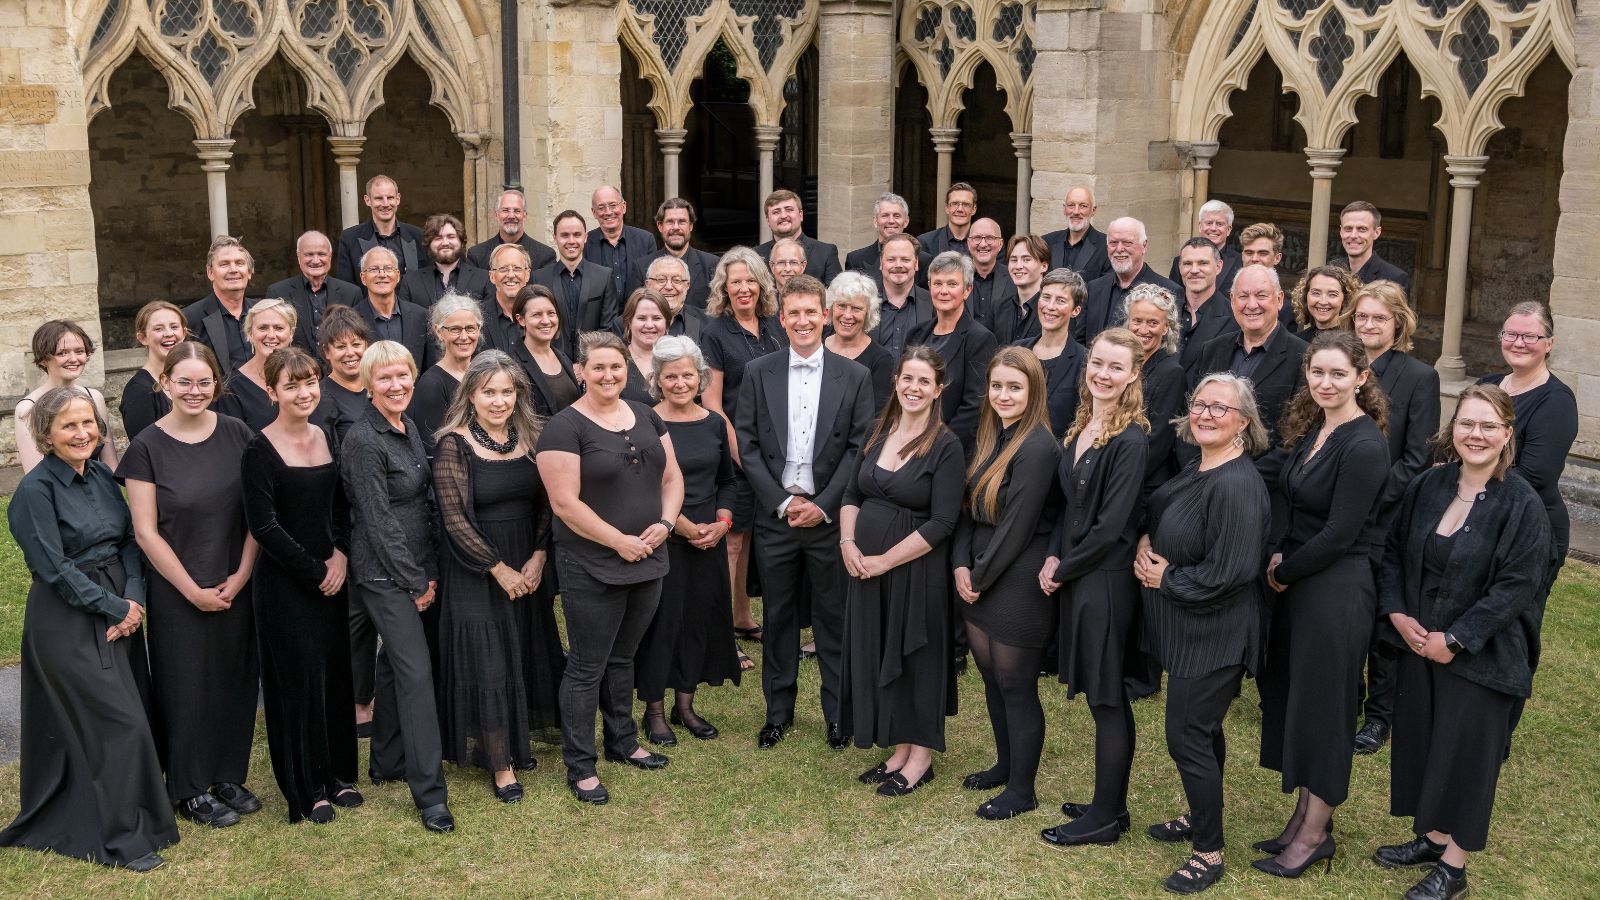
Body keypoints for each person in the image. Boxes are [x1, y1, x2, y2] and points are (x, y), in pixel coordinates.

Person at [1372, 385, 1552, 900]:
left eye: (1488, 426)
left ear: (1507, 435)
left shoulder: (1522, 504)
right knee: (1428, 744)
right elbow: (1392, 554)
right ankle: (1432, 838)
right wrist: (1399, 615)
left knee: (1468, 757)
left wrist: (1456, 638)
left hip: (1483, 656)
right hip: (1420, 641)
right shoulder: (1430, 484)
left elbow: (1516, 588)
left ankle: (1454, 869)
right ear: (1452, 430)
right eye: (1467, 424)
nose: (1476, 435)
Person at [0, 387, 175, 872]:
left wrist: (134, 597)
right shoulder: (33, 493)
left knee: (128, 713)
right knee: (118, 725)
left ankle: (141, 819)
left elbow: (128, 539)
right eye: (69, 426)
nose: (82, 434)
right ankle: (122, 839)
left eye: (88, 424)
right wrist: (114, 608)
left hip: (121, 605)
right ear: (46, 435)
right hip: (68, 620)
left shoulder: (100, 474)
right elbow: (54, 570)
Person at [1255, 330, 1390, 878]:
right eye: (1317, 372)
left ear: (1361, 377)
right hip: (1301, 585)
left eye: (1338, 374)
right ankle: (1304, 816)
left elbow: (1340, 532)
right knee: (1300, 704)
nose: (1325, 383)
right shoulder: (1314, 426)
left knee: (1328, 711)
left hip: (1335, 589)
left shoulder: (1364, 443)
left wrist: (1283, 570)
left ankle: (1314, 836)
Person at [1132, 373, 1272, 894]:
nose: (1207, 414)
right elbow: (1165, 511)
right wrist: (1148, 538)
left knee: (1187, 735)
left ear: (1243, 422)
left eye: (1220, 408)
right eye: (1200, 404)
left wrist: (1164, 577)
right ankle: (1199, 814)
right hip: (1188, 628)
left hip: (1216, 634)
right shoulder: (1200, 465)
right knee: (1203, 731)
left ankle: (1208, 852)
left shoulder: (1237, 484)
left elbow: (1231, 571)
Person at [536, 332, 685, 804]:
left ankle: (623, 742)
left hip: (649, 556)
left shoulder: (646, 415)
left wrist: (665, 522)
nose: (608, 375)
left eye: (616, 367)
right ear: (580, 371)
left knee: (624, 657)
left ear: (628, 369)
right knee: (586, 665)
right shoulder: (563, 427)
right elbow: (564, 504)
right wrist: (617, 541)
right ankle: (580, 764)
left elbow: (672, 477)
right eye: (598, 368)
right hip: (592, 562)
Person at [119, 341, 262, 829]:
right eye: (184, 382)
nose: (195, 391)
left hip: (234, 577)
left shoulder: (239, 433)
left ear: (217, 385)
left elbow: (255, 514)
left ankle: (227, 775)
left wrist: (242, 574)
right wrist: (191, 590)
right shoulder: (146, 447)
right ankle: (188, 785)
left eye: (205, 382)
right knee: (186, 686)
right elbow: (145, 531)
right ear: (165, 384)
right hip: (177, 586)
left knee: (234, 679)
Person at [737, 276, 876, 750]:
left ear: (826, 315)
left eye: (810, 313)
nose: (802, 321)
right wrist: (782, 501)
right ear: (783, 318)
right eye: (793, 313)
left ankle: (837, 714)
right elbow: (747, 444)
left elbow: (860, 449)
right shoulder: (759, 372)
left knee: (832, 617)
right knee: (777, 616)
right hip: (776, 516)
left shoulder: (854, 376)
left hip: (828, 518)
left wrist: (822, 506)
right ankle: (778, 712)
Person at [1036, 328, 1149, 848]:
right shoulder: (1083, 424)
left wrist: (1062, 568)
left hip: (1105, 581)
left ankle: (1105, 817)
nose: (1103, 374)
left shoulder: (1130, 439)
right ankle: (1111, 805)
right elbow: (1071, 509)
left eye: (1115, 367)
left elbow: (1110, 528)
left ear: (1132, 376)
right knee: (1099, 698)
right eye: (1097, 363)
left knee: (1107, 699)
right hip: (1080, 573)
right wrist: (1057, 552)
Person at [241, 347, 362, 824]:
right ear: (272, 392)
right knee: (297, 684)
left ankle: (339, 775)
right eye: (291, 385)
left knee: (334, 676)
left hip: (332, 574)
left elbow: (340, 508)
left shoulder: (327, 435)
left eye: (310, 381)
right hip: (286, 584)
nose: (304, 392)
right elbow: (264, 525)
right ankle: (306, 787)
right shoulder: (258, 449)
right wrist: (317, 571)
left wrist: (341, 556)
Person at [433, 351, 560, 803]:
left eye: (507, 391)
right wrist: (498, 568)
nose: (499, 400)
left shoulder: (533, 436)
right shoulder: (454, 444)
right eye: (489, 391)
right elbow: (453, 518)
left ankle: (519, 743)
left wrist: (540, 555)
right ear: (470, 393)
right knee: (488, 660)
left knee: (523, 651)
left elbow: (549, 502)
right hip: (477, 567)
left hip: (528, 558)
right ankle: (500, 763)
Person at [840, 346, 964, 796]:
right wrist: (848, 543)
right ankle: (899, 749)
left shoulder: (946, 445)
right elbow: (852, 493)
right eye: (907, 378)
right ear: (896, 381)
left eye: (924, 381)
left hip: (915, 571)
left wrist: (885, 560)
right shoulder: (878, 431)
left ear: (938, 390)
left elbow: (943, 522)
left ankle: (921, 758)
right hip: (865, 568)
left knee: (916, 658)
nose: (914, 388)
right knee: (882, 654)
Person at [340, 340, 453, 832]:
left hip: (415, 566)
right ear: (367, 384)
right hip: (383, 572)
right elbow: (378, 519)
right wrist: (413, 581)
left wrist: (427, 570)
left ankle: (386, 760)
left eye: (403, 374)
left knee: (392, 667)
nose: (397, 385)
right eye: (384, 378)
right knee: (415, 674)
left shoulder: (407, 429)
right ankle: (430, 794)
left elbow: (420, 506)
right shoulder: (363, 439)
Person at [953, 347, 1063, 820]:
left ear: (1034, 391)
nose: (1003, 395)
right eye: (997, 386)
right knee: (992, 680)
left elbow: (1017, 526)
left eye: (1014, 387)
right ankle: (1004, 764)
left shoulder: (1038, 446)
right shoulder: (990, 436)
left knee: (1016, 684)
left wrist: (977, 576)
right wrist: (959, 565)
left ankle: (1023, 790)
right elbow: (966, 509)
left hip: (1016, 579)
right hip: (979, 571)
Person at [1475, 301, 1577, 747]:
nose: (1518, 343)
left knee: (1513, 626)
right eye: (1511, 334)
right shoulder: (1485, 385)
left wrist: (1469, 482)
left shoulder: (1557, 401)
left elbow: (1535, 474)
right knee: (1474, 614)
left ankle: (1499, 732)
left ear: (1548, 344)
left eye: (1530, 336)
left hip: (1531, 532)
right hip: (1477, 520)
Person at [1347, 281, 1441, 755]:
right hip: (1341, 514)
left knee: (1386, 617)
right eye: (1362, 317)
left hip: (1388, 516)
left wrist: (1370, 497)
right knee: (1348, 614)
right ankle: (1348, 700)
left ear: (1398, 323)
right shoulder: (1343, 369)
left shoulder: (1419, 377)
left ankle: (1379, 716)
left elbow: (1418, 456)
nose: (1368, 325)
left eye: (1378, 318)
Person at [636, 336, 742, 745]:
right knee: (662, 625)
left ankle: (685, 704)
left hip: (709, 540)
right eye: (670, 376)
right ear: (657, 380)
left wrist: (722, 521)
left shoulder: (715, 422)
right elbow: (642, 485)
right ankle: (654, 711)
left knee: (698, 621)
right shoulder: (644, 421)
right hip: (663, 538)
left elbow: (727, 482)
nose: (680, 383)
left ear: (699, 378)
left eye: (687, 375)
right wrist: (676, 523)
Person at [700, 246, 787, 644]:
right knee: (732, 540)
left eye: (750, 279)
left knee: (749, 537)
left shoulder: (775, 326)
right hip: (737, 452)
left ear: (761, 283)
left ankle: (741, 615)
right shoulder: (715, 331)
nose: (744, 287)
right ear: (724, 286)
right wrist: (742, 453)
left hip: (776, 452)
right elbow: (713, 404)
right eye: (736, 281)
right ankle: (719, 628)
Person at [906, 251, 1000, 455]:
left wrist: (935, 445)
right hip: (909, 440)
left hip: (949, 448)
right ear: (929, 286)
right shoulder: (916, 334)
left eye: (952, 284)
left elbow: (975, 405)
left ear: (967, 290)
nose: (943, 291)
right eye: (937, 283)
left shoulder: (980, 339)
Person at [15, 320, 118, 473]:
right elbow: (35, 474)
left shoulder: (94, 397)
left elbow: (110, 462)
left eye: (79, 351)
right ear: (43, 359)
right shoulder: (28, 407)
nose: (73, 359)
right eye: (62, 353)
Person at [1076, 217, 1180, 346]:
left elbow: (1171, 346)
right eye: (1113, 243)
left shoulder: (1168, 291)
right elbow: (1080, 341)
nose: (1119, 249)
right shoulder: (1094, 288)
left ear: (1144, 245)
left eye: (1127, 243)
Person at [1124, 285, 1187, 495]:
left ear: (1166, 327)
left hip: (1142, 485)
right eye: (1137, 321)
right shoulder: (1122, 365)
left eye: (1153, 323)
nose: (1143, 330)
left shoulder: (1172, 373)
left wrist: (1118, 476)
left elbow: (1157, 444)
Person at [535, 210, 621, 357]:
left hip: (592, 363)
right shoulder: (539, 278)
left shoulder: (604, 276)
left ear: (585, 237)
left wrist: (585, 361)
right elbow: (536, 326)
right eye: (564, 235)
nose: (571, 241)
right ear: (554, 238)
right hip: (551, 362)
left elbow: (607, 327)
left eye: (577, 235)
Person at [1018, 269, 1087, 441]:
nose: (1050, 306)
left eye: (1061, 300)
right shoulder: (1017, 350)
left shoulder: (1085, 361)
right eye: (1046, 297)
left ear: (1076, 310)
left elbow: (1081, 422)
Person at [411, 292, 484, 452]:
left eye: (470, 328)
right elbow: (433, 448)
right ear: (439, 332)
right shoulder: (431, 384)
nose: (464, 337)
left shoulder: (484, 374)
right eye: (455, 329)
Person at [266, 231, 362, 351]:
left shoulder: (352, 293)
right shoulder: (277, 292)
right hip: (295, 367)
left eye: (321, 254)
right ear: (298, 256)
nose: (316, 260)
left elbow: (358, 337)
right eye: (309, 254)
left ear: (330, 256)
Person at [625, 198, 721, 311]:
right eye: (670, 222)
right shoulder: (641, 267)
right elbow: (634, 312)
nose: (676, 227)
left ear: (690, 226)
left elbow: (718, 310)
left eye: (682, 222)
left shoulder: (713, 264)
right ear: (660, 226)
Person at [217, 297, 297, 431]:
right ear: (250, 334)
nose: (271, 335)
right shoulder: (232, 389)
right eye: (263, 328)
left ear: (291, 333)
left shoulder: (306, 375)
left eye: (278, 328)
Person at [184, 235, 257, 377]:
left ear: (249, 272)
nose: (233, 269)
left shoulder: (264, 313)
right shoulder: (190, 318)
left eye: (239, 263)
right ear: (210, 272)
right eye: (224, 264)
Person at [353, 246, 435, 370]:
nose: (382, 274)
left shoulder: (421, 316)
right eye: (374, 269)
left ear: (397, 275)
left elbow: (429, 366)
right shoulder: (352, 320)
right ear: (363, 278)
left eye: (388, 268)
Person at [824, 272, 896, 409]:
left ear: (868, 313)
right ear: (831, 307)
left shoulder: (881, 360)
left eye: (856, 308)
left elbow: (876, 416)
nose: (847, 315)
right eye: (842, 306)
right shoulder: (816, 347)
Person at [334, 174, 424, 284]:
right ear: (367, 200)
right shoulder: (350, 238)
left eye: (390, 197)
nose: (385, 204)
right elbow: (345, 286)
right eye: (379, 198)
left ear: (398, 199)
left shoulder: (417, 235)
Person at [510, 284, 581, 417]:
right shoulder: (513, 364)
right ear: (521, 319)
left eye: (551, 313)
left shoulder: (563, 357)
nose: (546, 321)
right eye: (537, 315)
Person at [121, 301, 186, 442]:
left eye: (174, 327)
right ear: (142, 338)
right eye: (158, 329)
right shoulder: (139, 391)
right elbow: (145, 450)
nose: (169, 333)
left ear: (184, 333)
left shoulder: (193, 381)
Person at [398, 213, 491, 308]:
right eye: (438, 238)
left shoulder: (484, 279)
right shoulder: (410, 281)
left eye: (451, 237)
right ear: (429, 243)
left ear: (461, 241)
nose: (445, 243)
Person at [1173, 238, 1238, 372]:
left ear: (1219, 266)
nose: (1194, 270)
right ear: (1180, 267)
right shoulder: (1164, 311)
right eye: (1187, 263)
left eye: (1203, 263)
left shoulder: (1235, 317)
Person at [311, 305, 372, 447]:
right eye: (341, 347)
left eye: (356, 344)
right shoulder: (319, 397)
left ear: (366, 346)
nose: (350, 352)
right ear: (327, 351)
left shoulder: (379, 386)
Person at [585, 185, 658, 299]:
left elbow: (653, 282)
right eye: (601, 208)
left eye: (613, 205)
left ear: (623, 207)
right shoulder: (584, 243)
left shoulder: (645, 240)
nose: (608, 212)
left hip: (637, 313)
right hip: (599, 315)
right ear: (594, 212)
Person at [755, 189, 842, 282]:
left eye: (789, 209)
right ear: (768, 220)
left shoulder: (826, 253)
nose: (783, 216)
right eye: (776, 212)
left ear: (801, 215)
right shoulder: (756, 256)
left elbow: (836, 295)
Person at [872, 233, 933, 356]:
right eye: (891, 259)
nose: (898, 265)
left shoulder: (934, 303)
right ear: (881, 263)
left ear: (916, 264)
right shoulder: (864, 301)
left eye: (905, 259)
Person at [467, 188, 556, 272]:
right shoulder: (476, 256)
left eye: (517, 211)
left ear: (524, 215)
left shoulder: (545, 256)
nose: (511, 216)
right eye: (505, 210)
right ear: (496, 215)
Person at [1167, 200, 1242, 298]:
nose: (1213, 228)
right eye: (1209, 223)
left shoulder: (1241, 261)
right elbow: (1175, 299)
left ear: (1228, 230)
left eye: (1219, 224)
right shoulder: (1180, 261)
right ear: (1200, 227)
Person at [1330, 200, 1410, 290]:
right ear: (1341, 232)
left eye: (1362, 229)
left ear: (1376, 233)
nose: (1353, 235)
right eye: (1348, 229)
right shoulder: (1331, 270)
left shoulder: (1395, 278)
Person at [987, 235, 1047, 345]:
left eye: (1026, 259)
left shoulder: (1051, 309)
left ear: (1044, 266)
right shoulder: (998, 308)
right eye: (1013, 260)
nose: (1018, 266)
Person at [1042, 187, 1112, 282]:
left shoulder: (1107, 246)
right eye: (1071, 205)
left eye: (1083, 206)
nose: (1076, 212)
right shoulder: (1046, 242)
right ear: (1064, 209)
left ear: (1093, 210)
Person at [479, 243, 533, 353]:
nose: (511, 275)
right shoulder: (477, 318)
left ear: (527, 275)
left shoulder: (540, 316)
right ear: (492, 276)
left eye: (517, 268)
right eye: (503, 269)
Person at [621, 289, 672, 405]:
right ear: (629, 322)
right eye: (642, 318)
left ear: (667, 322)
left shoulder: (680, 358)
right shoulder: (616, 361)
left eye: (656, 318)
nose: (649, 325)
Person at [639, 254, 707, 341]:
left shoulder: (707, 323)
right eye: (661, 279)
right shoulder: (625, 323)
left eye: (677, 280)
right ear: (647, 285)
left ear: (687, 286)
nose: (669, 287)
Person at [1289, 265, 1361, 342]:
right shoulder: (1295, 342)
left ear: (1345, 299)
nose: (1323, 302)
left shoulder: (1356, 342)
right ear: (1305, 296)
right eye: (1316, 293)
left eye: (1332, 294)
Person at [845, 192, 912, 274]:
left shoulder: (923, 259)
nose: (891, 221)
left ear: (906, 221)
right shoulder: (855, 260)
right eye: (885, 215)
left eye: (896, 216)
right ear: (875, 221)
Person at [965, 218, 1016, 324]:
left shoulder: (1014, 278)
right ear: (968, 243)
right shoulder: (956, 277)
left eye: (990, 238)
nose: (983, 244)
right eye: (977, 238)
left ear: (1000, 244)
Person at [918, 182, 978, 257]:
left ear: (973, 209)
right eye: (955, 203)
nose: (960, 209)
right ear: (947, 208)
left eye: (966, 204)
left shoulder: (984, 243)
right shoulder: (926, 242)